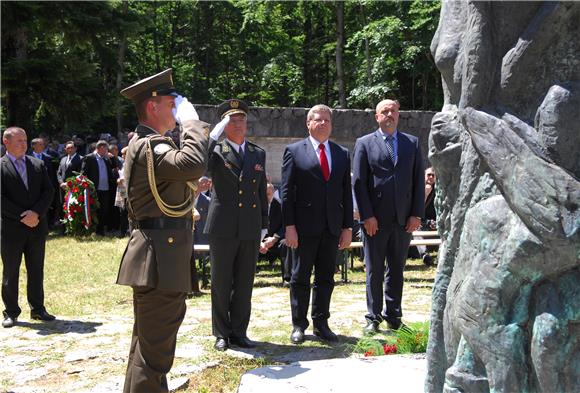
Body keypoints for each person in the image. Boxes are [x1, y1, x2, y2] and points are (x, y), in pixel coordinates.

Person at [116, 69, 208, 393]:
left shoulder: (144, 144)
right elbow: (194, 163)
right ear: (153, 106)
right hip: (160, 259)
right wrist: (194, 123)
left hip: (157, 254)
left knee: (145, 349)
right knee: (154, 355)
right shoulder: (151, 145)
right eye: (171, 104)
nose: (176, 110)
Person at [280, 104, 353, 344]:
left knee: (326, 278)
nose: (323, 124)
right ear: (308, 124)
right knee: (300, 277)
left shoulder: (341, 153)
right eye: (318, 120)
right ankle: (299, 325)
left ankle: (322, 324)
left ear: (331, 125)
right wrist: (289, 226)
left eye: (327, 120)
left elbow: (345, 192)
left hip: (331, 227)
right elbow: (288, 192)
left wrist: (347, 227)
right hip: (303, 228)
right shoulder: (294, 151)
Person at [352, 99, 424, 335]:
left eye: (393, 111)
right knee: (374, 270)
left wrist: (416, 214)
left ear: (399, 115)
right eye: (385, 111)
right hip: (375, 220)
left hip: (403, 220)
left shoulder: (411, 143)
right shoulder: (364, 143)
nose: (389, 115)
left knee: (396, 269)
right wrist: (367, 216)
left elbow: (417, 181)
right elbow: (359, 183)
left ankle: (394, 316)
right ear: (377, 116)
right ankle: (373, 317)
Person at [204, 99, 268, 351]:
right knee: (221, 281)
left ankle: (239, 331)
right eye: (232, 119)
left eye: (241, 118)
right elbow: (199, 161)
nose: (238, 123)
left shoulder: (257, 153)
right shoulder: (217, 151)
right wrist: (212, 136)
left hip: (249, 226)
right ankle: (221, 332)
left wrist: (264, 224)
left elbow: (261, 192)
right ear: (224, 124)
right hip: (223, 226)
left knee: (244, 282)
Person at [1, 127, 56, 328]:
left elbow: (48, 191)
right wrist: (23, 216)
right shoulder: (1, 166)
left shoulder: (37, 164)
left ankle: (38, 309)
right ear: (6, 142)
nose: (24, 144)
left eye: (25, 140)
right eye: (19, 141)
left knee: (36, 269)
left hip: (36, 227)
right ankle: (11, 312)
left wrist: (36, 213)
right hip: (11, 230)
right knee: (11, 271)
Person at [81, 140, 116, 235]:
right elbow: (83, 173)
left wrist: (112, 158)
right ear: (100, 148)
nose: (107, 151)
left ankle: (101, 230)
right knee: (94, 210)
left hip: (106, 189)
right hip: (94, 189)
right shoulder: (89, 158)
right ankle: (92, 230)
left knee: (104, 210)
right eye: (105, 149)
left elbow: (115, 167)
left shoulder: (106, 158)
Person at [259, 183, 284, 266]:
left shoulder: (280, 207)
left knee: (285, 244)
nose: (266, 197)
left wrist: (275, 238)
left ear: (273, 193)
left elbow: (285, 226)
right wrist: (259, 242)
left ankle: (287, 276)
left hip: (274, 241)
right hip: (257, 240)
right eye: (264, 194)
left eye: (268, 194)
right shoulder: (253, 207)